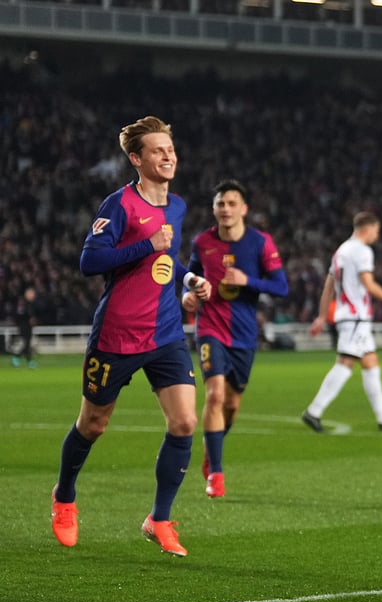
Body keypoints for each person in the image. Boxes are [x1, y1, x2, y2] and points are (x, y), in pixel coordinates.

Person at [50, 115, 213, 557]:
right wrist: (149, 245)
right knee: (93, 424)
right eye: (158, 150)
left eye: (171, 149)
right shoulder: (118, 205)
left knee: (184, 422)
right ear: (136, 158)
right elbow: (91, 261)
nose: (168, 156)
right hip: (118, 335)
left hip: (165, 334)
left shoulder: (176, 207)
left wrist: (189, 281)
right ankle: (64, 496)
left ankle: (159, 518)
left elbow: (166, 263)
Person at [182, 179, 289, 499]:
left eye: (231, 203)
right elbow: (188, 278)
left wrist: (248, 280)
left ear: (244, 209)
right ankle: (216, 473)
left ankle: (210, 449)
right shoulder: (202, 242)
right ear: (214, 209)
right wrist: (187, 297)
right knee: (214, 395)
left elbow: (281, 286)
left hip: (243, 335)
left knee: (231, 405)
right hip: (210, 329)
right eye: (220, 204)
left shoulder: (260, 242)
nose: (225, 209)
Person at [301, 211, 382, 432]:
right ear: (367, 229)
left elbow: (329, 286)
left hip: (349, 316)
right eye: (376, 232)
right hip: (355, 316)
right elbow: (368, 284)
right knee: (346, 363)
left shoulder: (340, 251)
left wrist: (322, 316)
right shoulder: (361, 251)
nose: (376, 237)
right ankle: (314, 411)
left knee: (370, 363)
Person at [12, 286, 40, 368]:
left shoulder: (30, 303)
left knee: (27, 344)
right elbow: (20, 313)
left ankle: (29, 361)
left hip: (28, 326)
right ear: (27, 294)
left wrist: (33, 319)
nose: (33, 296)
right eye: (32, 294)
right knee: (27, 343)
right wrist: (30, 318)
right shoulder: (22, 302)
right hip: (23, 325)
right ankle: (17, 357)